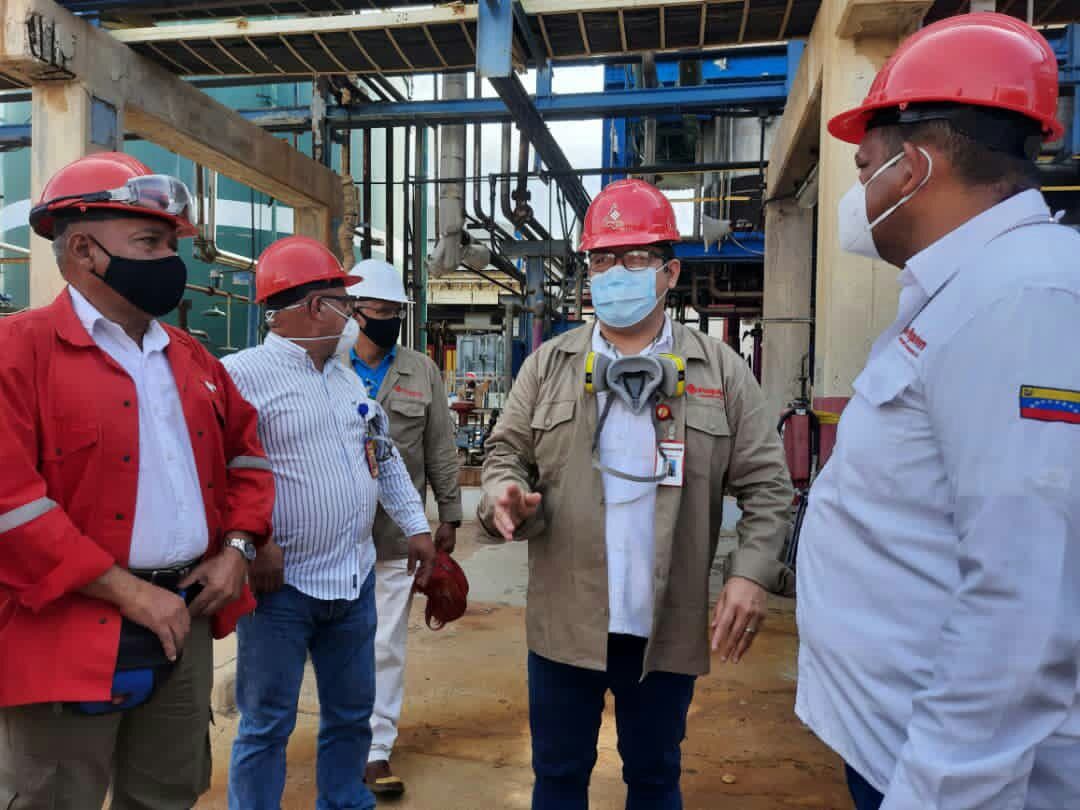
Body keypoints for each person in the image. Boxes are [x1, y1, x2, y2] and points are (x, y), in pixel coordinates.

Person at [795, 13, 1080, 810]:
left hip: (951, 775)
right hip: (899, 740)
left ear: (913, 169)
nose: (858, 192)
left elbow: (1023, 608)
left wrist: (938, 792)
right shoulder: (968, 292)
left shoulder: (1024, 299)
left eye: (865, 167)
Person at [479, 178, 794, 809]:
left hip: (664, 627)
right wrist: (503, 493)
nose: (615, 273)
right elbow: (505, 452)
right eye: (602, 260)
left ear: (669, 272)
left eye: (635, 257)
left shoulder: (719, 371)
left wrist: (751, 573)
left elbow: (768, 484)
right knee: (558, 779)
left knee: (654, 780)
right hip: (566, 623)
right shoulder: (548, 366)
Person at [0, 152, 274, 809]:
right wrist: (128, 592)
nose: (172, 262)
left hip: (185, 618)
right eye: (151, 242)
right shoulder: (18, 353)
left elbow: (249, 460)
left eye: (172, 245)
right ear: (85, 251)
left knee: (167, 793)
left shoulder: (194, 359)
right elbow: (11, 506)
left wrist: (238, 549)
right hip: (65, 626)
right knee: (54, 797)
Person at [222, 236, 436, 810]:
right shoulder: (240, 378)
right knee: (267, 723)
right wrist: (253, 541)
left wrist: (416, 525)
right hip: (280, 589)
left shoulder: (345, 382)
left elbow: (383, 457)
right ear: (316, 306)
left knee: (350, 715)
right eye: (345, 304)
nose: (353, 318)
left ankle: (344, 801)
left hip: (352, 581)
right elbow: (210, 472)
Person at [343, 259, 463, 796]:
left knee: (384, 644)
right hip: (332, 537)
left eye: (395, 311)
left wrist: (449, 515)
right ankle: (341, 736)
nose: (389, 319)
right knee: (337, 643)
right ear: (353, 311)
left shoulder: (421, 371)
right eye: (379, 310)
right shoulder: (325, 366)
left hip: (397, 536)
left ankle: (375, 749)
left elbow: (440, 447)